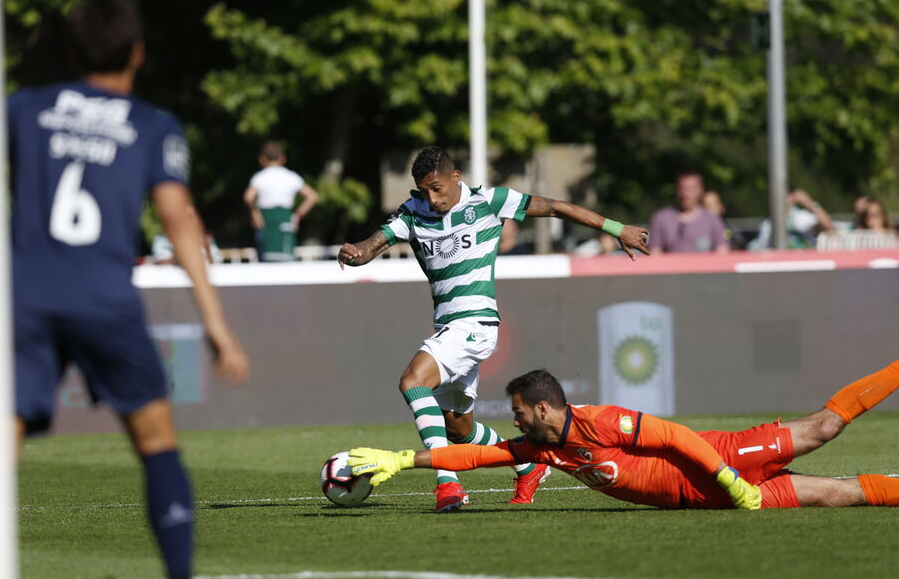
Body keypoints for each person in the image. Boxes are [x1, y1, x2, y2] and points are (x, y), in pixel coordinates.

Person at [8, 0, 249, 579]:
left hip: (25, 298)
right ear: (138, 53)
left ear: (70, 51)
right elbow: (179, 220)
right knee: (156, 443)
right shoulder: (153, 125)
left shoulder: (26, 108)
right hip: (105, 300)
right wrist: (214, 322)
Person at [336, 146, 650, 512]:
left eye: (437, 188)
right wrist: (354, 252)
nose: (431, 198)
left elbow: (555, 207)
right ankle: (528, 466)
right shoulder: (413, 212)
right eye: (424, 191)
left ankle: (448, 484)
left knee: (412, 381)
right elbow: (372, 245)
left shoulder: (489, 201)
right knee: (459, 429)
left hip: (475, 322)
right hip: (448, 327)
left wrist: (617, 228)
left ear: (456, 177)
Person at [350, 360, 899, 511]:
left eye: (518, 411)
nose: (512, 420)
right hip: (709, 498)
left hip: (723, 460)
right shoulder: (542, 445)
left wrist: (730, 478)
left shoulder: (601, 421)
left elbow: (677, 438)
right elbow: (474, 456)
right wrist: (404, 460)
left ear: (543, 407)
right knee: (837, 493)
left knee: (825, 427)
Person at [244, 140, 319, 262]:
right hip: (286, 221)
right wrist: (297, 215)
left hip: (265, 222)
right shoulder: (291, 176)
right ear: (283, 158)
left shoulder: (259, 177)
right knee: (285, 261)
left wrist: (255, 213)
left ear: (262, 159)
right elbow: (312, 196)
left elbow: (248, 197)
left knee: (266, 261)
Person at [647, 173, 729, 254]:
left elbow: (722, 252)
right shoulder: (660, 218)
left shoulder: (713, 220)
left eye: (691, 188)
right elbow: (654, 253)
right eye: (682, 188)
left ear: (700, 190)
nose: (685, 193)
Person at [748, 188, 835, 250]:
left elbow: (829, 226)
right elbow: (761, 248)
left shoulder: (802, 217)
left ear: (792, 197)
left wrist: (809, 203)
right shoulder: (767, 224)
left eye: (784, 195)